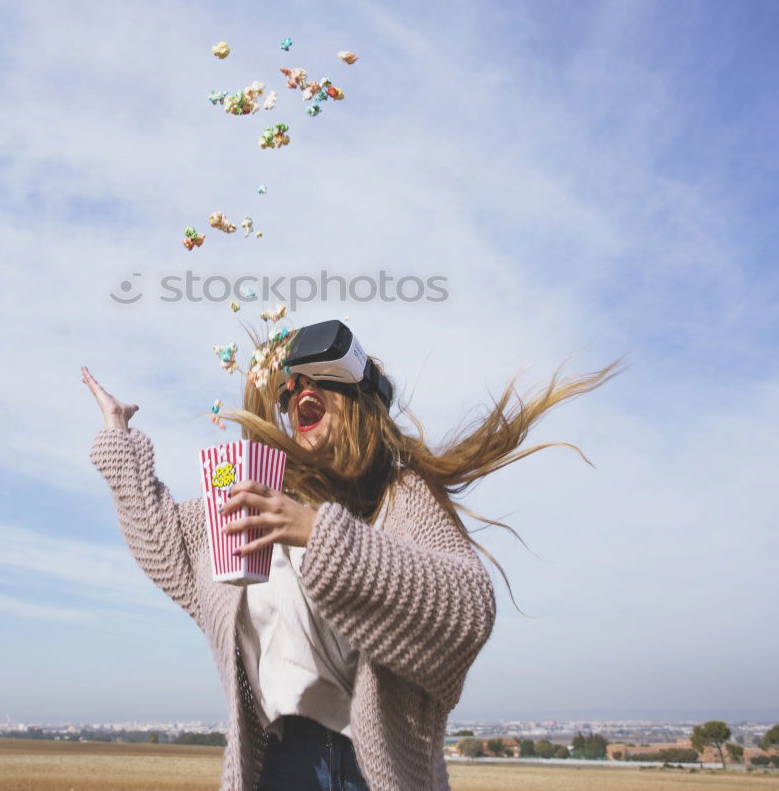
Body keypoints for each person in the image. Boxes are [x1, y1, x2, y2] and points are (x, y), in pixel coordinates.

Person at [82, 320, 618, 791]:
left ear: (360, 399)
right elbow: (166, 543)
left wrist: (319, 534)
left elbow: (469, 609)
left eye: (317, 378)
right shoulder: (257, 493)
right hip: (277, 764)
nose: (297, 391)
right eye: (287, 388)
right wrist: (118, 435)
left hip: (374, 770)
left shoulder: (402, 497)